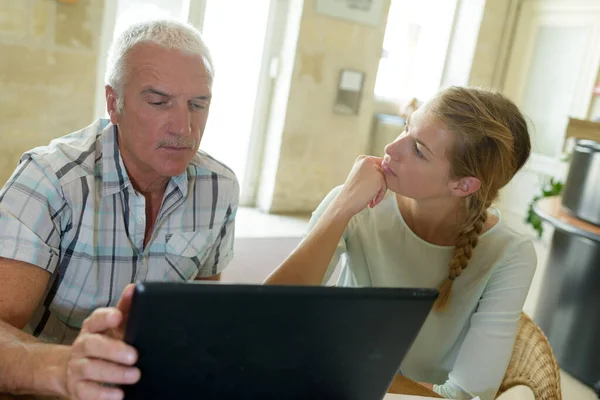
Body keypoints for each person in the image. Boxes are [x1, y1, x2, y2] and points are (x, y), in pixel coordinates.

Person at [0, 19, 239, 399]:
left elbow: (198, 320)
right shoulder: (49, 181)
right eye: (159, 102)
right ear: (115, 104)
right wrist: (66, 370)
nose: (184, 128)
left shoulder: (218, 187)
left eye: (198, 104)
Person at [266, 86, 536, 400]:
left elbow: (466, 394)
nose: (391, 148)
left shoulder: (510, 254)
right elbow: (269, 318)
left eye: (419, 150)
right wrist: (341, 207)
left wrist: (348, 380)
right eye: (406, 127)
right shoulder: (358, 201)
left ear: (463, 184)